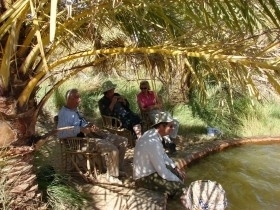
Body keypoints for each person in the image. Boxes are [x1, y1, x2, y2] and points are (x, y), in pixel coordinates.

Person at [57, 88, 128, 184]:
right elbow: (61, 133)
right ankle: (112, 175)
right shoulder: (65, 113)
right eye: (77, 97)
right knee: (113, 149)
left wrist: (89, 125)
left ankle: (117, 168)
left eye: (79, 97)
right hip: (80, 142)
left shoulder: (74, 109)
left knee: (122, 141)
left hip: (91, 134)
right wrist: (81, 129)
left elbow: (80, 122)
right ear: (70, 99)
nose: (80, 99)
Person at [133, 111, 186, 199]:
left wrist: (175, 168)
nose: (172, 128)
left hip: (151, 171)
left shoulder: (152, 134)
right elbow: (163, 172)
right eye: (170, 126)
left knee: (177, 175)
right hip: (143, 178)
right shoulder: (153, 142)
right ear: (161, 126)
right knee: (181, 189)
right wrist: (179, 182)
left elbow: (163, 154)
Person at [137, 80, 179, 153]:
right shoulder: (139, 96)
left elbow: (160, 104)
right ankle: (169, 142)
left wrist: (153, 106)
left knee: (175, 122)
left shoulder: (153, 93)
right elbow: (142, 109)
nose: (143, 90)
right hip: (149, 113)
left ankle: (171, 138)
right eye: (142, 88)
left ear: (148, 87)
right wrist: (148, 108)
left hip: (158, 111)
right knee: (161, 124)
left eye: (145, 88)